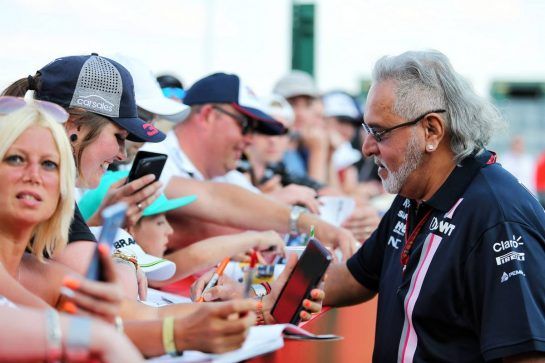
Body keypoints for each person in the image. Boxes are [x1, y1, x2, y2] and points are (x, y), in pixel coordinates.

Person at [322, 50, 545, 361]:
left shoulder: (497, 216)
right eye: (366, 130)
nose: (366, 147)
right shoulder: (412, 192)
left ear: (431, 131)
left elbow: (527, 355)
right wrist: (282, 290)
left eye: (379, 132)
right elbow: (358, 275)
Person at [139, 72, 359, 258]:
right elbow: (211, 207)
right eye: (245, 126)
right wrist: (301, 219)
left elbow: (244, 213)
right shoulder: (155, 154)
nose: (250, 139)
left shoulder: (225, 172)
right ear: (208, 115)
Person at [79, 170, 287, 286]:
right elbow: (193, 257)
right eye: (160, 222)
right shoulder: (149, 270)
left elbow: (264, 274)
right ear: (127, 228)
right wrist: (252, 238)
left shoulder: (163, 264)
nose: (170, 231)